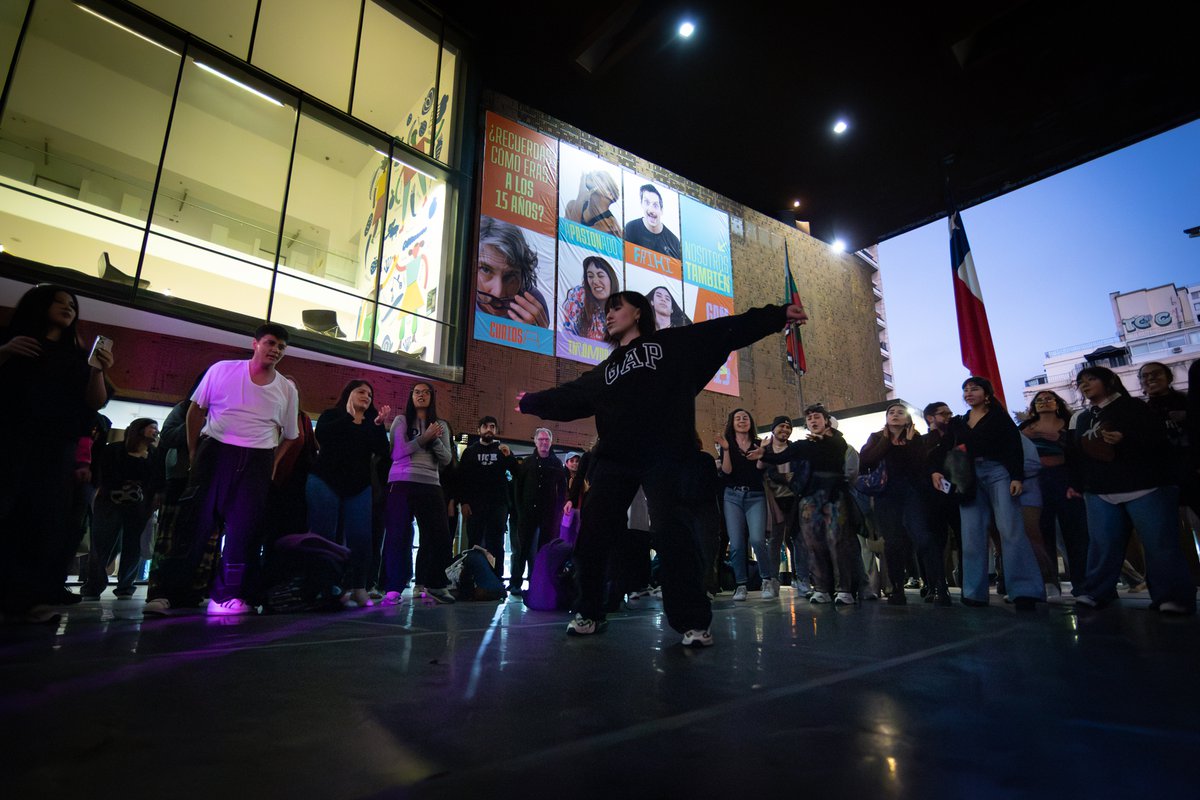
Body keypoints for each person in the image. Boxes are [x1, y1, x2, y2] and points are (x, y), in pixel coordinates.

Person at [517, 290, 807, 646]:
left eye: (617, 308)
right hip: (615, 458)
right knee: (592, 533)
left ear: (638, 312)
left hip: (665, 452)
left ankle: (693, 622)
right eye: (607, 311)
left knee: (673, 533)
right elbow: (571, 394)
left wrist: (777, 316)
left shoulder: (670, 344)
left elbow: (724, 330)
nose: (609, 315)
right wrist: (531, 402)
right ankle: (588, 611)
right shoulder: (606, 370)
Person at [144, 323, 300, 617]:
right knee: (194, 524)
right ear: (255, 343)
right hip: (215, 451)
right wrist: (194, 451)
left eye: (281, 346)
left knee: (244, 532)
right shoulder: (222, 370)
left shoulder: (286, 389)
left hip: (257, 459)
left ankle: (229, 594)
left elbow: (291, 435)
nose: (276, 350)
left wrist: (272, 465)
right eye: (270, 343)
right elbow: (195, 410)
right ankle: (167, 593)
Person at [0, 284, 112, 620]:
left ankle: (29, 598)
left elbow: (95, 403)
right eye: (59, 302)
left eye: (72, 305)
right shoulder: (14, 341)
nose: (68, 308)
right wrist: (4, 351)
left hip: (55, 447)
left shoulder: (76, 356)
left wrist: (97, 370)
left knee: (44, 519)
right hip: (11, 438)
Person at [1070, 366, 1194, 613]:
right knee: (1103, 544)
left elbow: (1158, 440)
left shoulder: (1135, 407)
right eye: (1081, 381)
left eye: (1091, 379)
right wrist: (1079, 483)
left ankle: (1172, 596)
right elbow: (1077, 454)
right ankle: (1097, 591)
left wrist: (1125, 439)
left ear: (1109, 381)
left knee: (1159, 544)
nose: (1085, 385)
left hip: (1144, 484)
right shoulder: (1083, 418)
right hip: (1100, 489)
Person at [930, 377, 1045, 610]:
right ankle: (974, 593)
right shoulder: (959, 422)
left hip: (998, 472)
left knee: (1010, 528)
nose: (969, 393)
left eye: (974, 389)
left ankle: (1024, 591)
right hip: (967, 476)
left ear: (987, 393)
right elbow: (944, 448)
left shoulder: (999, 417)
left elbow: (1013, 447)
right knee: (971, 533)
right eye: (965, 390)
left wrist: (1016, 476)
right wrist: (935, 470)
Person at [752, 404, 856, 605]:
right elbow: (781, 457)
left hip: (835, 496)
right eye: (809, 419)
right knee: (813, 544)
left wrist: (824, 439)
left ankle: (844, 589)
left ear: (826, 421)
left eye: (817, 417)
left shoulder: (838, 441)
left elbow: (836, 450)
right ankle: (821, 588)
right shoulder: (803, 445)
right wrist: (762, 454)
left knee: (837, 541)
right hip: (809, 498)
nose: (813, 421)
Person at [307, 380, 391, 608]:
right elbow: (323, 435)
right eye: (361, 391)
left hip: (358, 485)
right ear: (348, 394)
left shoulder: (372, 423)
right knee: (324, 534)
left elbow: (383, 452)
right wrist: (350, 416)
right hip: (325, 480)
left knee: (361, 536)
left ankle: (358, 587)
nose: (366, 396)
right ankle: (324, 586)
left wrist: (379, 427)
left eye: (370, 394)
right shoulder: (331, 415)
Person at [859, 402, 950, 606]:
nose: (895, 415)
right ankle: (897, 589)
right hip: (886, 496)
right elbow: (865, 461)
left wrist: (908, 443)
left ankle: (939, 587)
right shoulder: (877, 437)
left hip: (912, 495)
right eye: (891, 412)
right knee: (893, 542)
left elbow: (920, 466)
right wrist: (886, 440)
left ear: (907, 419)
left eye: (900, 412)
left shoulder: (915, 439)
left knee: (923, 538)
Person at [383, 382, 455, 605]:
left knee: (439, 536)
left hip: (430, 483)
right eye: (417, 392)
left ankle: (434, 584)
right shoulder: (401, 420)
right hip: (401, 482)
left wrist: (434, 438)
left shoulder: (441, 425)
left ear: (432, 396)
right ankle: (393, 588)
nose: (421, 395)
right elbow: (397, 452)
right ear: (411, 396)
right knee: (398, 535)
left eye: (425, 392)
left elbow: (447, 459)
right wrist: (424, 438)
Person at [81, 418, 161, 599]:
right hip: (110, 501)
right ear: (139, 429)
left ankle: (125, 587)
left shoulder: (154, 454)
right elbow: (104, 474)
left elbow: (156, 480)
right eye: (152, 427)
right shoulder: (114, 449)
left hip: (139, 505)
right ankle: (94, 586)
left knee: (133, 546)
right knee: (102, 544)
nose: (156, 431)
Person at [1019, 390, 1089, 596]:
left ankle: (1082, 582)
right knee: (1041, 531)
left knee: (1074, 532)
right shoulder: (1025, 428)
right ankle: (1049, 580)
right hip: (1035, 481)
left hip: (1065, 479)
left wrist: (1058, 439)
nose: (1044, 402)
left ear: (1057, 403)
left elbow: (1078, 453)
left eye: (1048, 399)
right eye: (1039, 400)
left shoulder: (1069, 424)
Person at [716, 408, 776, 600]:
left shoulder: (759, 443)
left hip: (755, 495)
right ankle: (740, 585)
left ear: (750, 422)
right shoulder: (727, 443)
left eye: (745, 418)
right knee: (736, 543)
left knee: (757, 539)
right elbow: (727, 472)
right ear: (732, 423)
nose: (742, 421)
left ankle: (766, 580)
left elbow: (759, 470)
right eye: (737, 418)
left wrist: (762, 453)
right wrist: (726, 450)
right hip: (732, 496)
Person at [457, 415, 517, 577]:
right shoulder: (470, 452)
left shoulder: (502, 450)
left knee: (496, 544)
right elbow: (462, 479)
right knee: (474, 543)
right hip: (475, 505)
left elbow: (516, 472)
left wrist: (509, 456)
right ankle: (472, 579)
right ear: (479, 430)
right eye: (485, 426)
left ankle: (496, 580)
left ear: (496, 430)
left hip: (498, 505)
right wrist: (464, 502)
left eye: (492, 426)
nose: (488, 429)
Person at [511, 428, 568, 595]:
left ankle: (537, 583)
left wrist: (557, 511)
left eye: (547, 440)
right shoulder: (527, 463)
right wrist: (520, 510)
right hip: (527, 512)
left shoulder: (556, 463)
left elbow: (562, 489)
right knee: (522, 548)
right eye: (541, 439)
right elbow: (518, 487)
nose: (544, 442)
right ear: (535, 441)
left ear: (551, 442)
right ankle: (515, 583)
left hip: (548, 514)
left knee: (543, 550)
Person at [762, 415, 810, 594]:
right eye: (781, 426)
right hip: (773, 501)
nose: (785, 430)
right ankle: (773, 581)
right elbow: (768, 472)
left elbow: (801, 473)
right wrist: (786, 478)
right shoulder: (765, 449)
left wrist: (789, 479)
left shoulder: (794, 449)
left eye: (788, 427)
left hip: (794, 499)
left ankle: (802, 579)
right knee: (774, 540)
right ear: (773, 429)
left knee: (798, 539)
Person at [476, 215, 550, 327]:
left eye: (510, 276)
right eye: (486, 270)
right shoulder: (456, 294)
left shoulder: (533, 305)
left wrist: (539, 335)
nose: (498, 293)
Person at [561, 256, 618, 340]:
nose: (595, 281)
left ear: (611, 279)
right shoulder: (579, 295)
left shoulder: (621, 309)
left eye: (600, 275)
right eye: (590, 276)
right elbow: (567, 334)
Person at [623, 184, 681, 259]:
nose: (651, 210)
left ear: (661, 210)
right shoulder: (631, 228)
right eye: (647, 203)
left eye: (655, 205)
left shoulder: (674, 242)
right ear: (641, 204)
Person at [564, 170, 621, 236]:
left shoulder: (610, 225)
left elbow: (572, 235)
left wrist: (581, 197)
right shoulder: (572, 205)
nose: (594, 176)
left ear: (610, 194)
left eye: (600, 177)